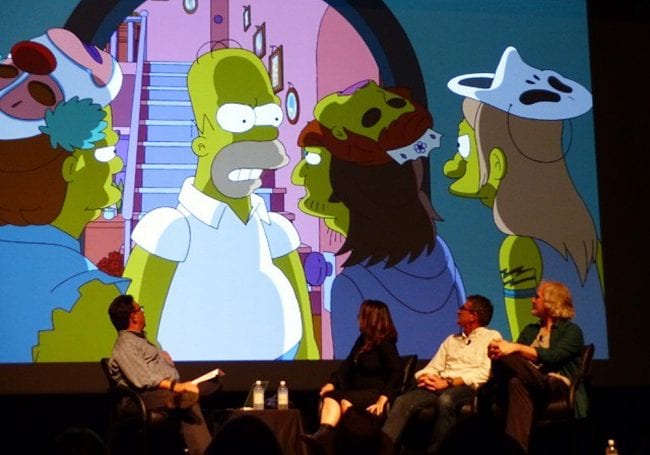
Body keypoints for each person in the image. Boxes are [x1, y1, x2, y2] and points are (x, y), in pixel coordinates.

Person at [292, 80, 465, 360]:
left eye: (312, 160)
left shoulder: (351, 287)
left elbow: (352, 375)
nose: (298, 175)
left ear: (351, 181)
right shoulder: (439, 251)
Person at [382, 295, 502, 453]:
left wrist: (450, 382)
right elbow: (433, 366)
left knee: (447, 400)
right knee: (403, 400)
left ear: (474, 316)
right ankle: (382, 449)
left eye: (463, 309)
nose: (458, 311)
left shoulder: (491, 337)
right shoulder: (451, 340)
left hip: (466, 388)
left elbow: (484, 373)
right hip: (438, 385)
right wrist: (426, 376)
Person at [479, 280, 585, 453]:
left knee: (508, 357)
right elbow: (513, 360)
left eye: (537, 296)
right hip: (528, 381)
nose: (532, 300)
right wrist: (498, 352)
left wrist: (515, 347)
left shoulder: (571, 331)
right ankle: (516, 450)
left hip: (555, 383)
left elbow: (553, 357)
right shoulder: (530, 330)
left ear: (552, 302)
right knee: (515, 381)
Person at [107, 294, 217, 455]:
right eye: (140, 309)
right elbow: (141, 380)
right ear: (134, 317)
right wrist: (176, 386)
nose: (143, 312)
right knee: (186, 398)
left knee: (212, 384)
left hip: (159, 393)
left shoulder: (141, 341)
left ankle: (176, 400)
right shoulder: (126, 345)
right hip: (140, 399)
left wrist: (165, 362)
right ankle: (203, 451)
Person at [302, 299, 403, 453]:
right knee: (330, 394)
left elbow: (397, 372)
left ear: (370, 318)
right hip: (357, 392)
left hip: (373, 392)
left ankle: (326, 437)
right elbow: (347, 366)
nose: (357, 318)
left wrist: (384, 398)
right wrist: (333, 382)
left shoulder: (385, 343)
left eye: (360, 315)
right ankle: (324, 433)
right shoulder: (363, 341)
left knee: (342, 400)